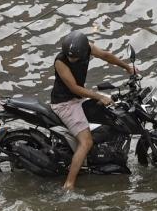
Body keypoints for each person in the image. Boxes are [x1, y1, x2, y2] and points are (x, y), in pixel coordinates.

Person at [49, 30, 137, 191]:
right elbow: (74, 88)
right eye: (69, 56)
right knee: (86, 141)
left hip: (78, 98)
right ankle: (68, 185)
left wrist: (127, 67)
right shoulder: (60, 62)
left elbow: (105, 55)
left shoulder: (87, 48)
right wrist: (99, 96)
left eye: (74, 57)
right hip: (65, 103)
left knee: (110, 113)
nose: (71, 59)